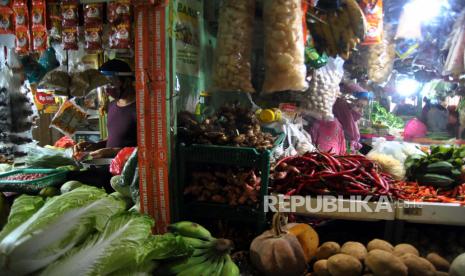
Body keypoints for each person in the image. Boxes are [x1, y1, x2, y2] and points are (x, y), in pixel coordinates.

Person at [73, 59, 137, 159]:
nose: (107, 89)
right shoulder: (112, 105)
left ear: (127, 82)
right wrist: (94, 146)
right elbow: (115, 139)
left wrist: (112, 152)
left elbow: (147, 148)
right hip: (110, 169)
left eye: (111, 84)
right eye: (105, 85)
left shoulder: (140, 109)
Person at [333, 89, 370, 153]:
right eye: (358, 106)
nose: (361, 111)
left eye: (363, 107)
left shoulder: (352, 121)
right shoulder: (333, 124)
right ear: (346, 105)